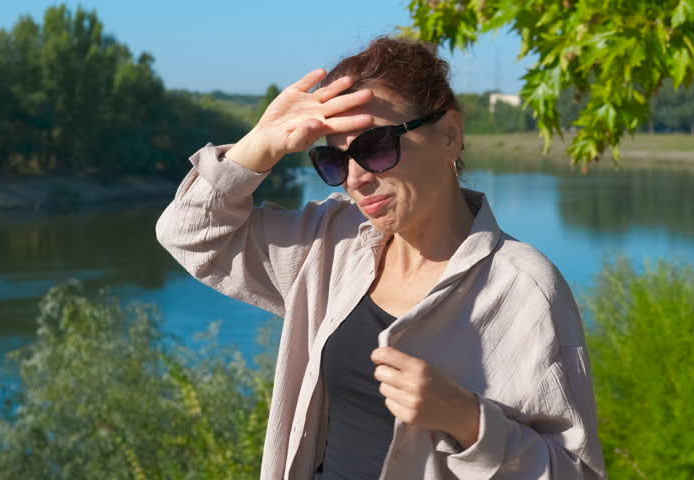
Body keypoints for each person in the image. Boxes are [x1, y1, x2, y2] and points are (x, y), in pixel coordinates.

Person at [155, 37, 607, 480]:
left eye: (375, 148)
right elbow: (189, 234)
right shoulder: (331, 243)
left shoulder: (523, 286)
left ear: (449, 135)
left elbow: (574, 471)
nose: (355, 179)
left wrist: (469, 421)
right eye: (333, 160)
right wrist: (260, 145)